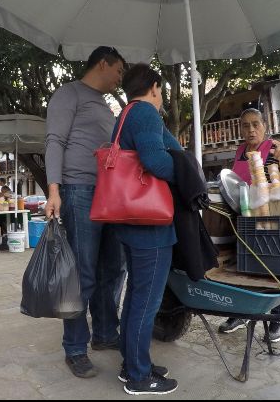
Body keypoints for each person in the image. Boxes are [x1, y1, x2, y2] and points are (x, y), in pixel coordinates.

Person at [44, 45, 127, 378]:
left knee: (113, 269)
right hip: (78, 191)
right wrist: (54, 191)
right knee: (82, 274)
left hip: (109, 193)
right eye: (119, 71)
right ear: (103, 64)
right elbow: (54, 141)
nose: (120, 78)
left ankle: (105, 333)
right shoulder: (69, 94)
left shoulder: (105, 104)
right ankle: (75, 348)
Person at [108, 64, 180, 395]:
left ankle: (132, 364)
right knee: (146, 301)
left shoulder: (125, 115)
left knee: (137, 296)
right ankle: (139, 376)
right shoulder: (145, 113)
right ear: (153, 87)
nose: (161, 96)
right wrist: (186, 174)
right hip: (150, 223)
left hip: (131, 221)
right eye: (160, 90)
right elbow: (157, 161)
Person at [218, 108, 280, 343]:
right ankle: (241, 314)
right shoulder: (240, 151)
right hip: (246, 219)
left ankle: (277, 319)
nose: (251, 129)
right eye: (245, 125)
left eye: (255, 124)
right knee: (245, 269)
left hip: (272, 218)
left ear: (264, 126)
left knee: (274, 269)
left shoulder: (273, 147)